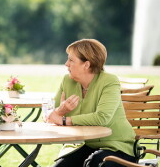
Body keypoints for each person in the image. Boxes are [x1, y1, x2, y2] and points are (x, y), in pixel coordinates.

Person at [47, 39, 136, 167]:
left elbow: (102, 117)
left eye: (71, 60)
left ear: (86, 65)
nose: (66, 64)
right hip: (89, 145)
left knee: (95, 163)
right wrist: (60, 111)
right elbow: (49, 115)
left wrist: (64, 120)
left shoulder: (109, 81)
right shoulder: (67, 81)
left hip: (117, 147)